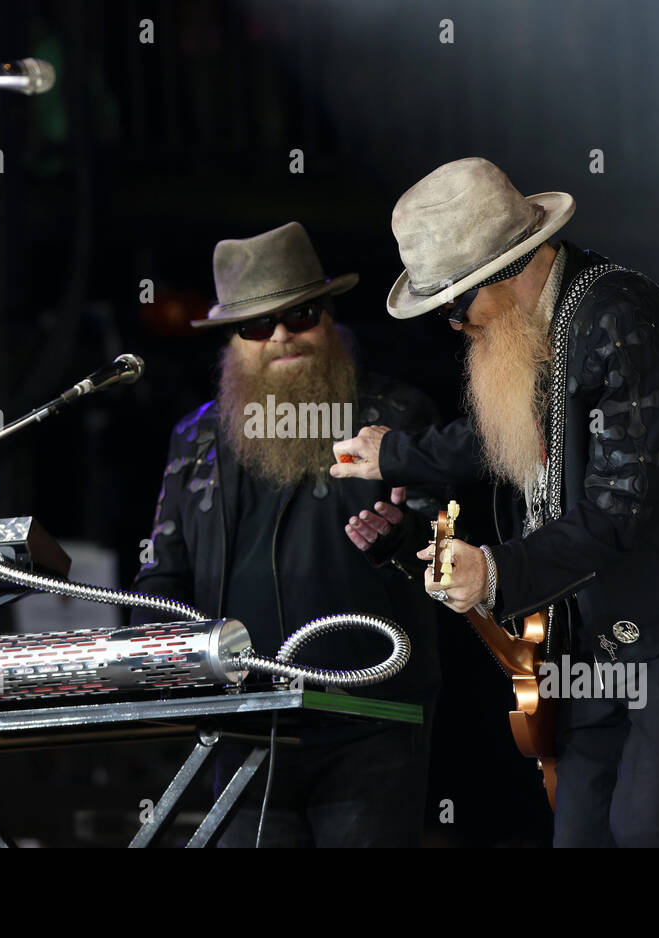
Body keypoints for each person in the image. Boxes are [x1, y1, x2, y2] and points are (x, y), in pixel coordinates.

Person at [331, 157, 659, 847]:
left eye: (455, 306)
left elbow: (614, 513)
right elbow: (495, 436)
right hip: (601, 615)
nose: (453, 326)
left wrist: (493, 571)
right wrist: (392, 454)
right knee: (577, 827)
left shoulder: (619, 322)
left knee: (645, 826)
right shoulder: (535, 318)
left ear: (501, 271)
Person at [132, 221, 442, 846]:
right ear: (232, 342)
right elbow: (161, 576)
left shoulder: (397, 417)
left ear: (329, 317)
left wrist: (403, 540)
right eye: (256, 326)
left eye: (299, 314)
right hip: (243, 732)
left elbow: (447, 550)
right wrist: (154, 649)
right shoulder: (195, 439)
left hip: (369, 724)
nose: (280, 335)